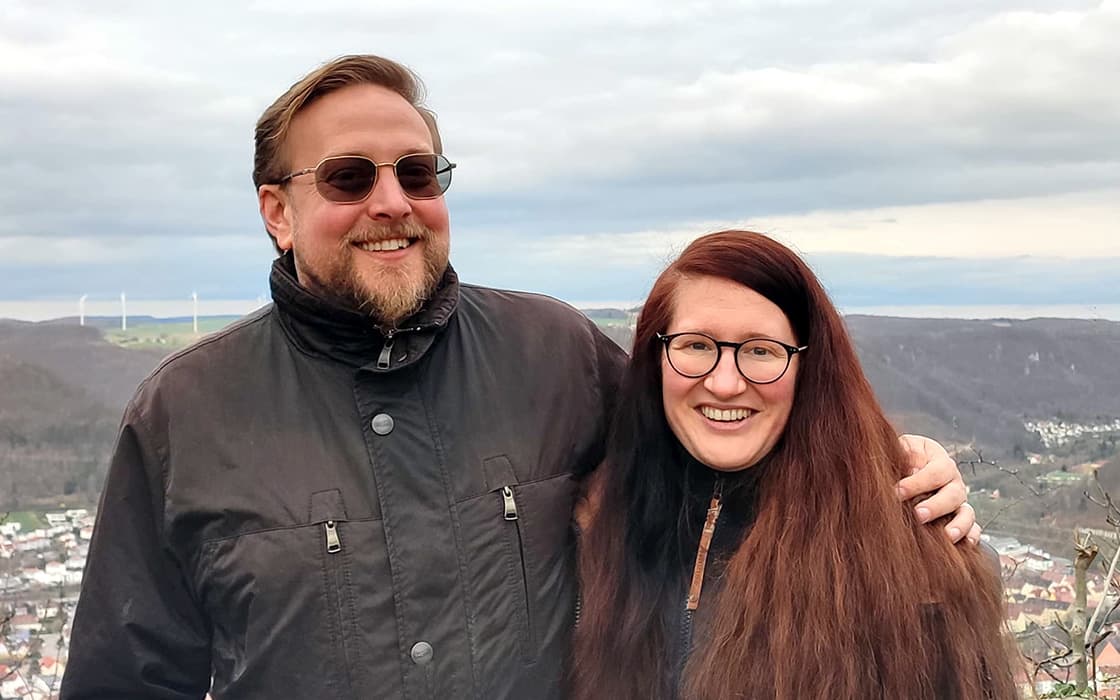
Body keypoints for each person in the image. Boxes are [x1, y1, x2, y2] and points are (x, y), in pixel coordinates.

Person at [61, 56, 975, 699]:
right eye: (348, 177)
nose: (391, 201)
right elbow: (126, 682)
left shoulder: (555, 351)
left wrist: (900, 470)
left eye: (416, 172)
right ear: (277, 212)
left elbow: (720, 434)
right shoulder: (185, 414)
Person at [571, 230, 1017, 700]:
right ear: (655, 357)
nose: (725, 384)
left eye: (761, 350)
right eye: (696, 345)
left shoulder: (916, 560)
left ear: (810, 369)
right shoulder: (590, 525)